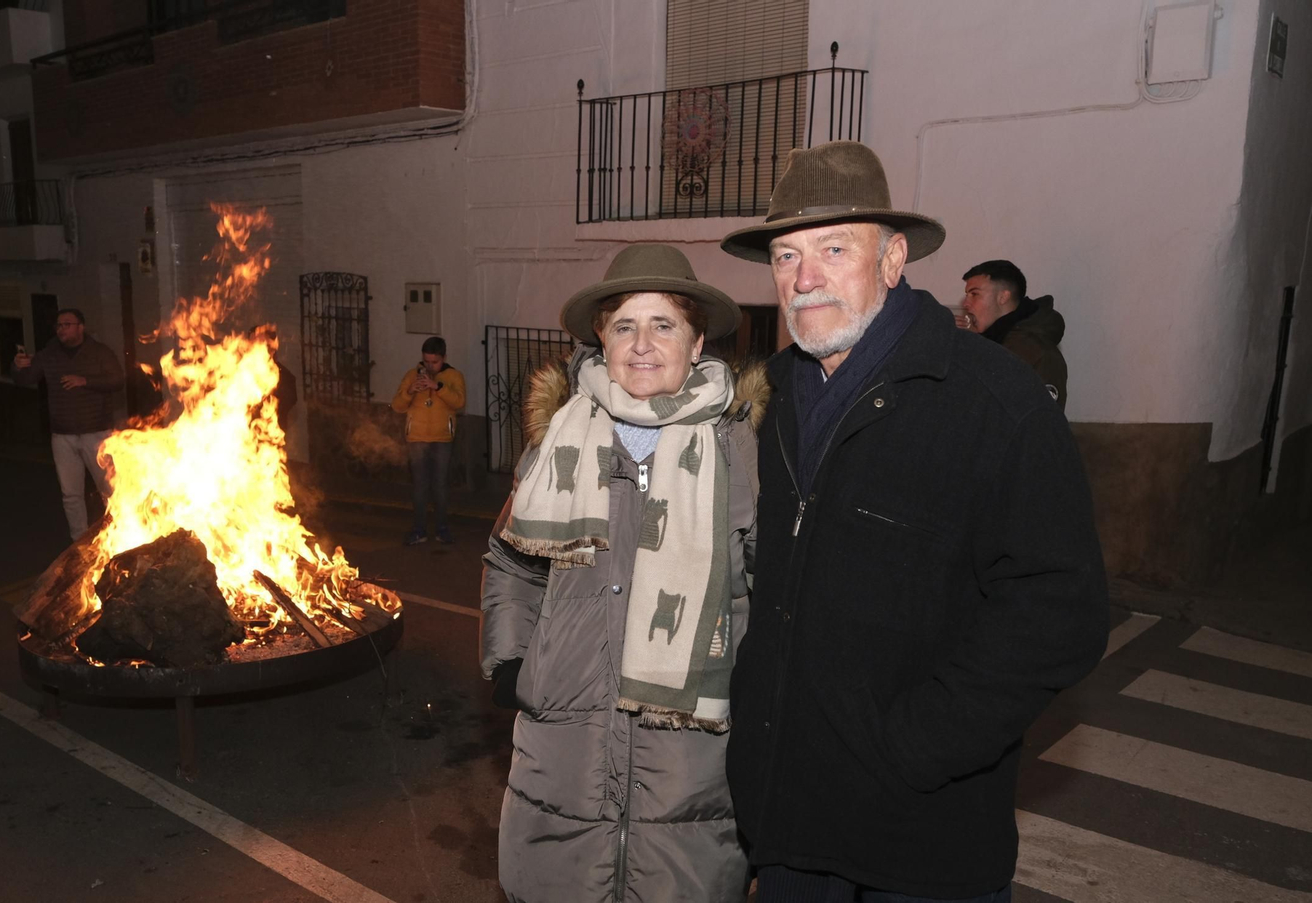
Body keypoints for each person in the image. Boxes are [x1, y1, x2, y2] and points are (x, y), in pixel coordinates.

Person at [717, 141, 1107, 902]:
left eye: (834, 249)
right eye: (786, 255)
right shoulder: (770, 403)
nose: (804, 278)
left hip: (923, 842)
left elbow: (1061, 611)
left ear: (893, 260)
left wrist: (915, 746)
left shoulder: (996, 405)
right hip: (792, 829)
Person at [481, 244, 764, 903]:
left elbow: (773, 596)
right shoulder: (555, 446)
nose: (642, 344)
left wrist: (759, 696)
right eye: (624, 325)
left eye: (663, 324)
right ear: (601, 341)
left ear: (697, 344)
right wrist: (514, 661)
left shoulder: (742, 452)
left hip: (692, 760)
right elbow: (511, 561)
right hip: (565, 747)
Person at [12, 308, 125, 540]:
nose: (61, 329)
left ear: (80, 327)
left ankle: (122, 533)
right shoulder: (49, 355)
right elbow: (26, 379)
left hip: (97, 433)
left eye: (67, 324)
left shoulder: (99, 352)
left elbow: (117, 380)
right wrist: (18, 366)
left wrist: (85, 381)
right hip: (63, 436)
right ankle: (79, 541)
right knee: (71, 494)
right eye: (59, 326)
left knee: (109, 489)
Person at [961, 259, 1069, 408]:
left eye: (974, 294)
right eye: (966, 295)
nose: (966, 304)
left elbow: (1043, 425)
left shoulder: (1040, 354)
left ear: (1003, 297)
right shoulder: (987, 342)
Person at [390, 336, 465, 544]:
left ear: (443, 358)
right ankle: (419, 529)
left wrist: (438, 386)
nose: (430, 366)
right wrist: (410, 391)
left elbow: (459, 401)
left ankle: (442, 528)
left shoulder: (454, 376)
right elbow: (397, 405)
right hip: (417, 438)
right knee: (420, 485)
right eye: (426, 361)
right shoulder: (411, 375)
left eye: (435, 362)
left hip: (442, 439)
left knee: (440, 485)